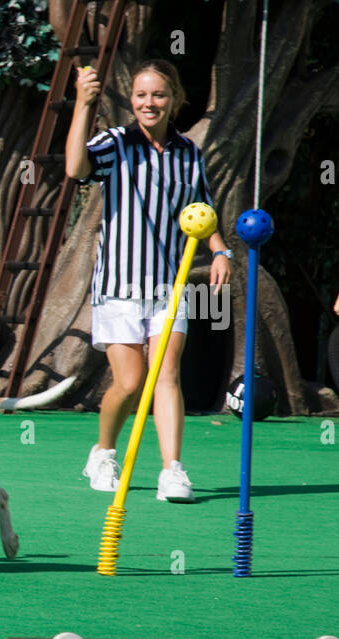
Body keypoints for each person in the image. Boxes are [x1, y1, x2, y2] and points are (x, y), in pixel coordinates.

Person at [65, 59, 231, 501]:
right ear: (132, 100)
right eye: (141, 95)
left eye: (158, 94)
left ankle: (172, 471)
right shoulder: (116, 143)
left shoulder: (188, 153)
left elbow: (202, 211)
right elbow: (75, 168)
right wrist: (83, 103)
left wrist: (219, 250)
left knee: (168, 374)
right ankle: (102, 452)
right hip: (119, 286)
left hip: (168, 287)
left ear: (174, 99)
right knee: (130, 382)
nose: (149, 103)